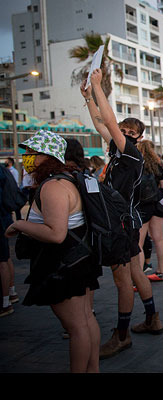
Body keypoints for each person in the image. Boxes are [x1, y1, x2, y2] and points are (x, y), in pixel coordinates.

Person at [80, 68, 163, 359]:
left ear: (138, 139)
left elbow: (109, 122)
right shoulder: (117, 152)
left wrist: (98, 86)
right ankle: (152, 318)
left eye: (130, 133)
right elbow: (101, 123)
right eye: (124, 131)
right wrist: (89, 98)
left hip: (121, 224)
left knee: (122, 280)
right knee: (135, 273)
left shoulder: (130, 154)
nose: (124, 134)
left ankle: (122, 335)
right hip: (123, 221)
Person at [3, 130, 101, 372]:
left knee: (77, 327)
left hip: (63, 265)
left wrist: (19, 224)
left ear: (46, 156)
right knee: (86, 321)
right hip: (79, 260)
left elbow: (56, 234)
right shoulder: (68, 179)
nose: (26, 157)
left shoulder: (53, 186)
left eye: (31, 152)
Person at [136, 140, 163, 281]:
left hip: (142, 206)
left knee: (139, 243)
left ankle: (139, 276)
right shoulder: (158, 167)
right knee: (159, 239)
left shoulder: (137, 166)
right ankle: (160, 271)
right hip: (157, 206)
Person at [0, 164, 19, 317]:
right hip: (5, 217)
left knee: (2, 260)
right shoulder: (4, 171)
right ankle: (10, 293)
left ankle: (5, 302)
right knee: (5, 258)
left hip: (1, 218)